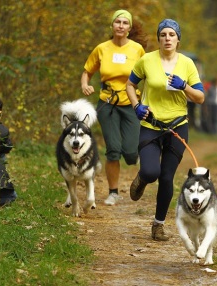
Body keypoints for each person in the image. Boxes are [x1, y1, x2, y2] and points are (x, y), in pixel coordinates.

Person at [126, 19, 205, 241]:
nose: (167, 38)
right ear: (159, 38)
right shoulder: (147, 60)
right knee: (152, 172)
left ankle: (158, 225)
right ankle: (142, 178)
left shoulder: (188, 64)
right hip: (151, 125)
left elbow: (200, 98)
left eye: (172, 35)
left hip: (177, 127)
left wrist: (184, 86)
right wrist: (136, 106)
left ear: (178, 39)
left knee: (167, 177)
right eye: (163, 35)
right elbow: (130, 85)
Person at [81, 9, 146, 206]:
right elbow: (87, 71)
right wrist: (85, 84)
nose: (120, 25)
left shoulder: (137, 50)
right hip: (107, 104)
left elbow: (149, 75)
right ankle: (113, 192)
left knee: (131, 153)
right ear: (112, 26)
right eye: (117, 22)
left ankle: (142, 165)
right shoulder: (102, 49)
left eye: (125, 23)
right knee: (113, 150)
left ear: (129, 28)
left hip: (131, 104)